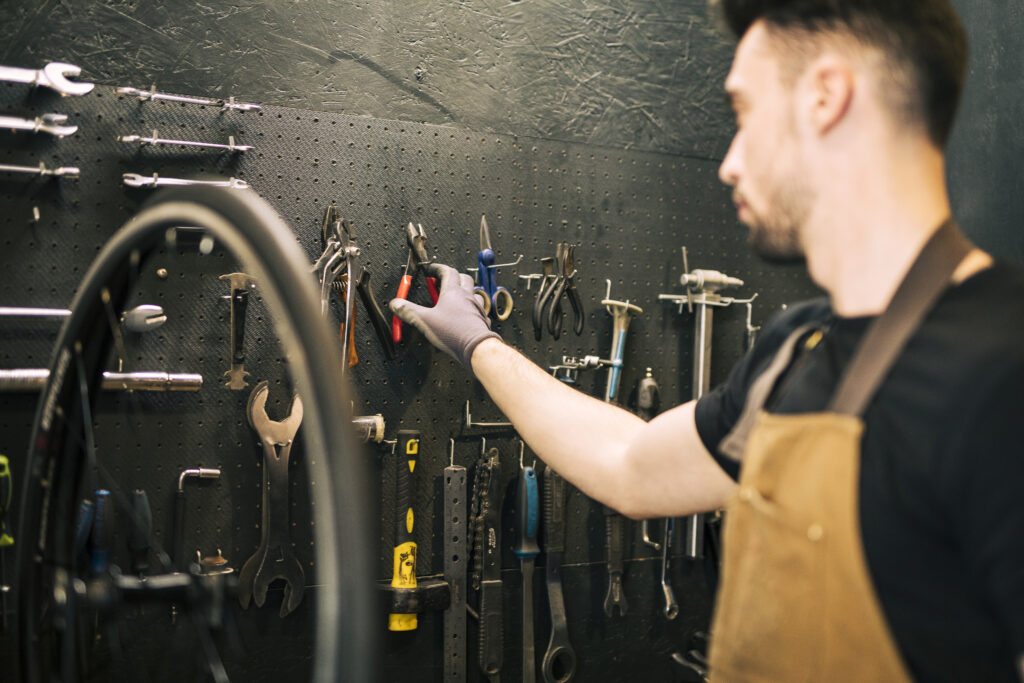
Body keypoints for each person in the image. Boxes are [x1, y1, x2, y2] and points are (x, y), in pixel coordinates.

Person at [390, 1, 1024, 680]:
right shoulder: (793, 353)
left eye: (745, 114)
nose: (728, 162)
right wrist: (477, 343)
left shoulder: (1003, 368)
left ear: (826, 97)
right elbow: (628, 462)